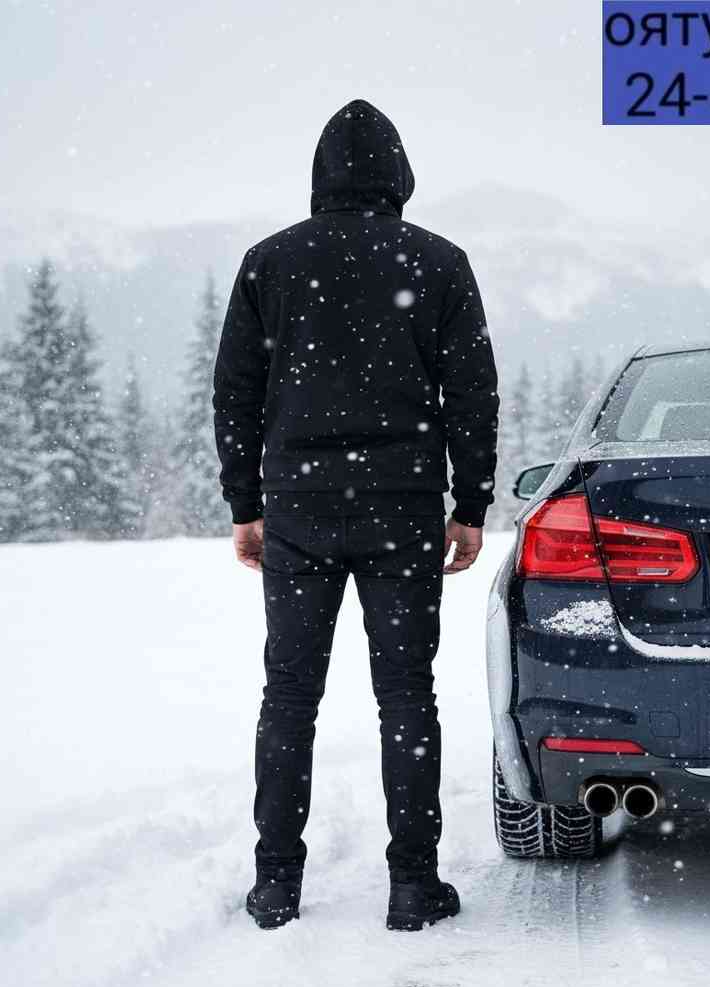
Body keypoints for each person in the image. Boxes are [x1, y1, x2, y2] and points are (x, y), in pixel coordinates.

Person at [213, 98, 498, 931]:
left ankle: (276, 884)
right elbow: (472, 392)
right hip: (402, 509)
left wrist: (246, 505)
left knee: (289, 695)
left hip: (299, 509)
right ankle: (413, 885)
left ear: (320, 175)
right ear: (399, 174)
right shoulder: (437, 261)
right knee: (406, 695)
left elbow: (234, 393)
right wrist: (470, 504)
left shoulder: (271, 262)